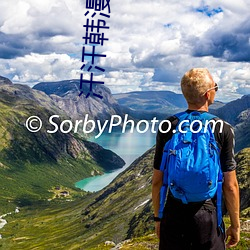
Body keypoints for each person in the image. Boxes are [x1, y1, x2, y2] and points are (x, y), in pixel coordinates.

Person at [152, 68, 240, 250]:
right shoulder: (222, 129)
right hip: (207, 215)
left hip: (174, 212)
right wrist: (235, 225)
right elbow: (230, 185)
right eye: (216, 87)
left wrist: (158, 218)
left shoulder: (168, 125)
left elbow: (157, 181)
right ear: (208, 94)